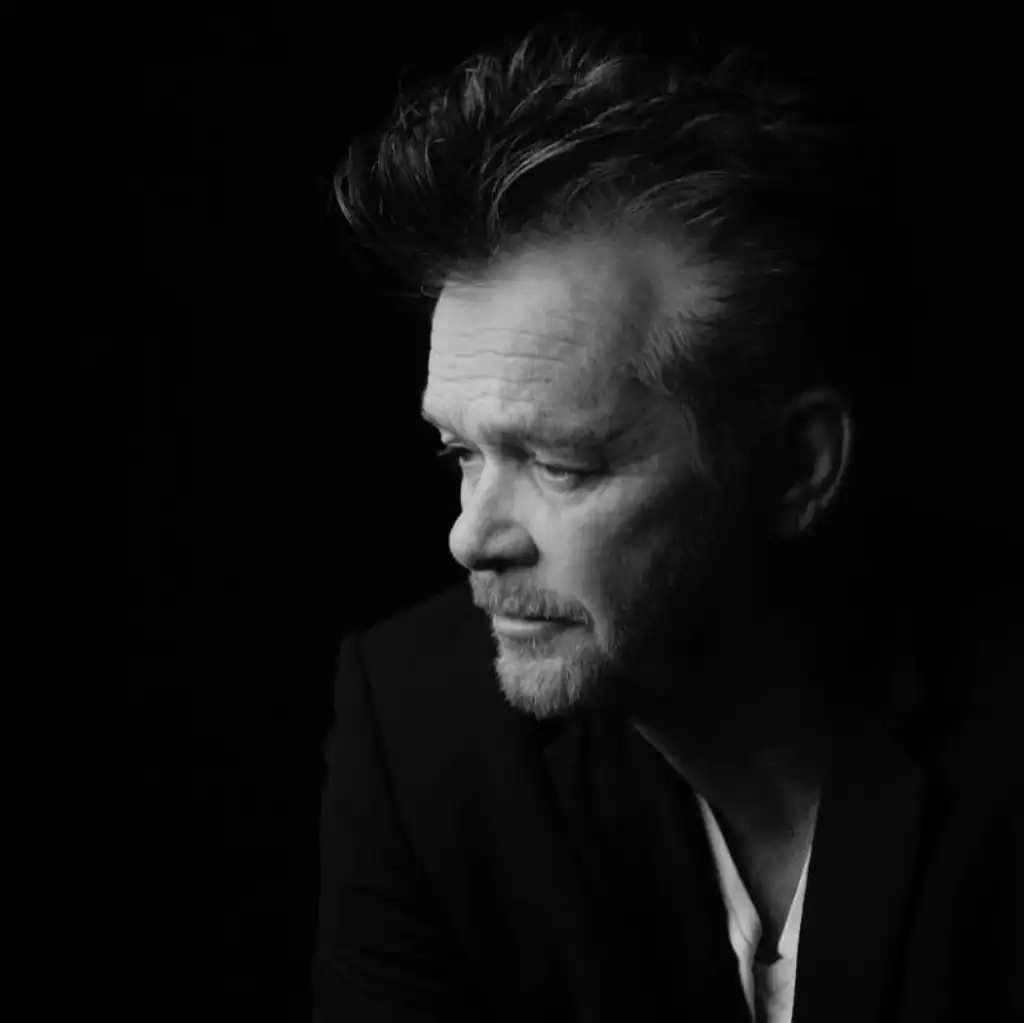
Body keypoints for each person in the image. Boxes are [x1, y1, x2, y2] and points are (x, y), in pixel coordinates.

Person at [312, 15, 1020, 1022]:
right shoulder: (421, 737)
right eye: (459, 453)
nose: (471, 536)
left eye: (559, 464)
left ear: (798, 467)